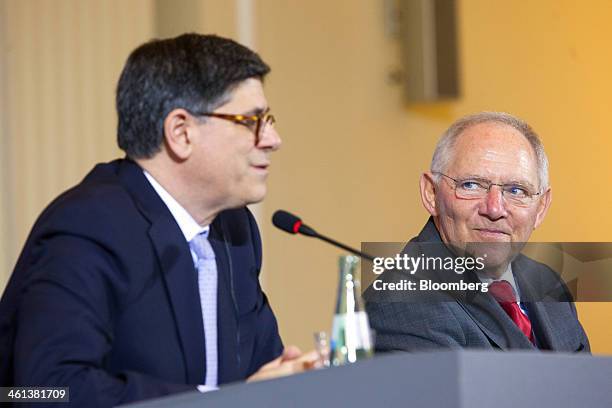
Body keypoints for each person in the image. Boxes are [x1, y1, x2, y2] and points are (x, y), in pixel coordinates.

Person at [0, 33, 315, 406]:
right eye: (252, 121)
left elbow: (259, 378)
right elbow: (45, 389)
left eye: (270, 120)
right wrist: (215, 400)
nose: (273, 139)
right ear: (181, 133)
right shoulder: (88, 226)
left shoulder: (235, 230)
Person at [366, 112, 590, 352]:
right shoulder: (401, 302)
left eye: (516, 190)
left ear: (541, 207)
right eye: (471, 185)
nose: (494, 209)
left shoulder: (548, 284)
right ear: (431, 194)